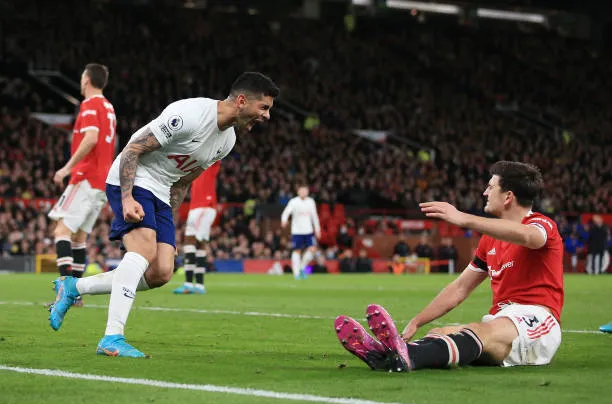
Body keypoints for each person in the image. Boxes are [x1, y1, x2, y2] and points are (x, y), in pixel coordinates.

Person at [48, 72, 279, 357]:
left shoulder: (227, 141)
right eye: (264, 108)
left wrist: (168, 219)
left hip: (162, 189)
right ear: (242, 101)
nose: (266, 116)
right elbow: (133, 150)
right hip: (131, 178)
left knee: (161, 272)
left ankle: (73, 286)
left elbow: (183, 179)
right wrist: (128, 197)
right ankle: (112, 337)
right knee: (142, 251)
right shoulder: (190, 114)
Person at [334, 161, 564, 371]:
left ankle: (406, 356)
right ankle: (392, 354)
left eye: (491, 187)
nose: (485, 192)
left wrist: (465, 219)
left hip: (538, 321)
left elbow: (528, 237)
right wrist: (417, 321)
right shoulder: (489, 240)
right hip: (503, 322)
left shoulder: (541, 224)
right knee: (441, 333)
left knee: (480, 332)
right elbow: (460, 288)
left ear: (508, 197)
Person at [48, 63, 116, 306]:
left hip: (86, 176)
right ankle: (75, 296)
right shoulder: (109, 108)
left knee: (61, 231)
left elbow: (91, 138)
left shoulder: (90, 105)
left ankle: (65, 292)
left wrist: (67, 168)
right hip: (102, 181)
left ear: (86, 79)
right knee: (78, 238)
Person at [173, 161, 221, 294]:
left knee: (193, 242)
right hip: (198, 207)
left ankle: (191, 284)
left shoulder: (211, 162)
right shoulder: (195, 165)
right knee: (196, 244)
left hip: (204, 206)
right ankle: (197, 285)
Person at [281, 185, 321, 280]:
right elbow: (286, 212)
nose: (303, 192)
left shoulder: (311, 202)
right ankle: (296, 274)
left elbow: (314, 216)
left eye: (305, 191)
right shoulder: (294, 202)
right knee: (297, 251)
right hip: (297, 231)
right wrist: (284, 220)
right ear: (298, 192)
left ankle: (302, 267)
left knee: (312, 250)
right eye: (301, 190)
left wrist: (317, 229)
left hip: (309, 231)